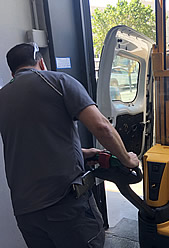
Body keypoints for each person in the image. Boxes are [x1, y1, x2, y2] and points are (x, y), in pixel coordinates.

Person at [0, 43, 139, 248]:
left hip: (26, 211)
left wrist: (81, 153)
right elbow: (102, 127)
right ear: (41, 62)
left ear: (12, 71)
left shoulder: (3, 96)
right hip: (66, 205)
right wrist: (127, 159)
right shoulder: (59, 81)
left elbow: (29, 143)